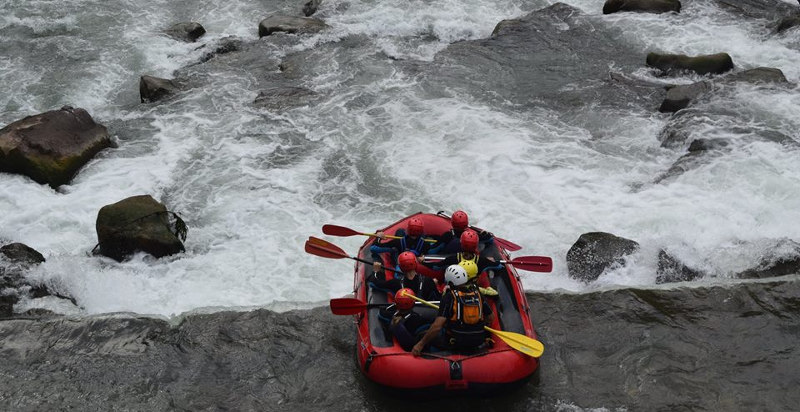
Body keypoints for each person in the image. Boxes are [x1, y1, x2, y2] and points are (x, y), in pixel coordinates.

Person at [412, 265, 494, 355]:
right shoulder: (478, 294)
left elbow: (437, 326)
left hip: (455, 342)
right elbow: (490, 318)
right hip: (477, 340)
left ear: (450, 282)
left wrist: (420, 344)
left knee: (421, 335)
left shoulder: (449, 297)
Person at [434, 229, 500, 296]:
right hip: (473, 289)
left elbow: (436, 266)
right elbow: (498, 266)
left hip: (453, 288)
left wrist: (437, 285)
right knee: (483, 275)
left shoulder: (453, 258)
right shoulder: (476, 289)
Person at [367, 251, 441, 301]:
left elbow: (374, 283)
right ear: (415, 264)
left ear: (400, 268)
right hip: (424, 315)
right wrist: (436, 285)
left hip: (406, 315)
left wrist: (376, 271)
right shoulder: (428, 281)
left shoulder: (395, 283)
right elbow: (438, 298)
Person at [370, 217, 435, 268]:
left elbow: (373, 248)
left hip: (401, 260)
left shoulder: (397, 242)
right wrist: (424, 256)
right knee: (400, 231)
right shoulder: (426, 244)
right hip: (416, 259)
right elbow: (433, 251)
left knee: (399, 232)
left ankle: (393, 251)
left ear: (408, 230)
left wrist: (378, 237)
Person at [429, 210, 494, 255]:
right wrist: (485, 233)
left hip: (449, 262)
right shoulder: (473, 236)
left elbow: (432, 251)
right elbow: (490, 239)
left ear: (452, 223)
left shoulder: (447, 236)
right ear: (467, 223)